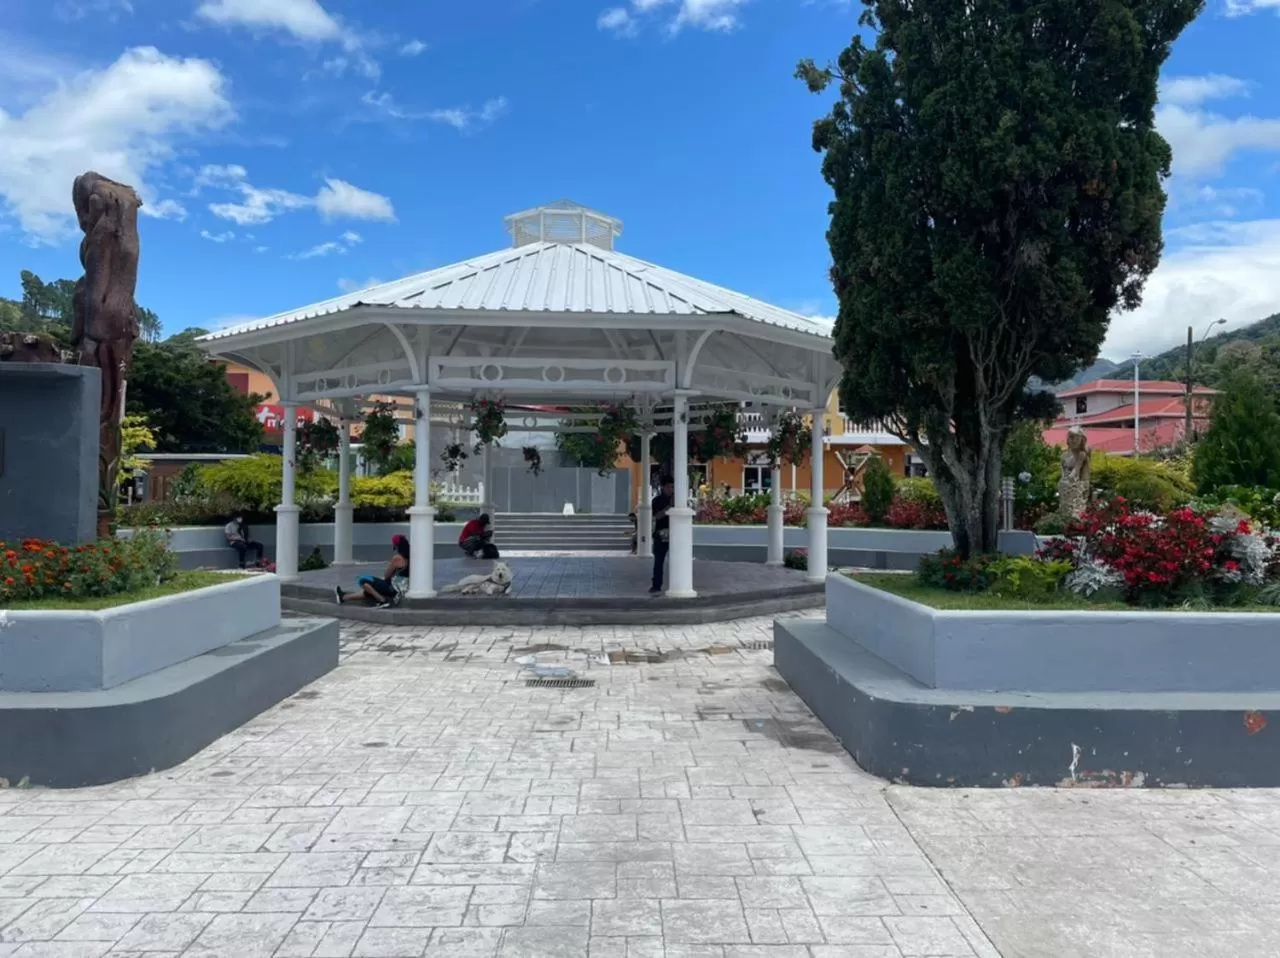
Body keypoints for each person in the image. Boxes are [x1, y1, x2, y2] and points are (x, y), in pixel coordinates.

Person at [336, 534, 410, 608]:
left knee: (363, 580)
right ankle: (343, 597)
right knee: (369, 590)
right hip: (402, 587)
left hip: (393, 588)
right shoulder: (411, 557)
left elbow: (387, 575)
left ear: (397, 546)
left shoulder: (397, 558)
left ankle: (382, 601)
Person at [649, 475, 674, 594]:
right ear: (663, 487)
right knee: (658, 562)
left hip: (675, 535)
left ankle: (676, 584)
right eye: (668, 487)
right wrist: (668, 508)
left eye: (672, 487)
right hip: (660, 535)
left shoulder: (677, 499)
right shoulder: (657, 500)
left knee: (676, 562)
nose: (671, 489)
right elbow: (657, 516)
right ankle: (656, 585)